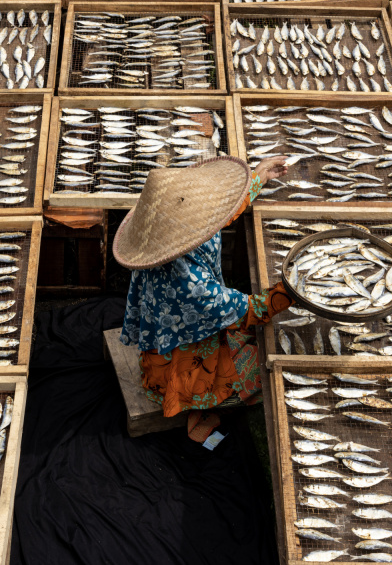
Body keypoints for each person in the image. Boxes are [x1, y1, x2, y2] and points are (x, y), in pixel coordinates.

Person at [113, 155, 293, 442]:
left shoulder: (156, 239)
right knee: (260, 373)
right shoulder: (192, 284)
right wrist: (289, 292)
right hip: (184, 359)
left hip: (170, 330)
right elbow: (249, 310)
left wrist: (259, 178)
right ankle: (197, 402)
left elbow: (220, 215)